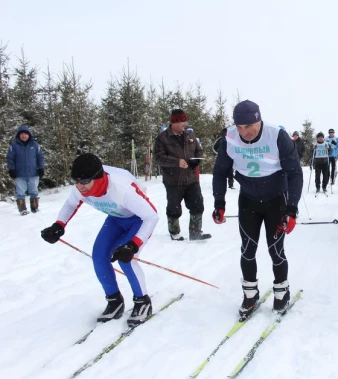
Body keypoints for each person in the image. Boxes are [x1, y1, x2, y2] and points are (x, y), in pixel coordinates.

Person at [40, 153, 158, 326]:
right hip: (116, 218)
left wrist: (133, 245)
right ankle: (114, 301)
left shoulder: (121, 188)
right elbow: (71, 204)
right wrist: (59, 225)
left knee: (127, 260)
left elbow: (151, 216)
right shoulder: (82, 186)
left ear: (98, 177)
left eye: (85, 181)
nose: (80, 186)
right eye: (76, 181)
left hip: (138, 219)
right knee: (99, 256)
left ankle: (142, 301)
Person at [211, 100, 303, 318]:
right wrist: (219, 203)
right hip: (249, 200)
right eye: (240, 127)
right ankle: (250, 294)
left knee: (275, 249)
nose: (245, 132)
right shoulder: (229, 138)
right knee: (247, 249)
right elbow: (220, 171)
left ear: (259, 120)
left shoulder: (277, 136)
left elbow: (295, 173)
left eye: (249, 126)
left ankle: (282, 292)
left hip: (276, 200)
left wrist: (292, 209)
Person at [154, 109, 210, 241]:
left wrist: (196, 161)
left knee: (198, 205)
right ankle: (174, 232)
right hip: (173, 180)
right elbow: (158, 158)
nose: (184, 124)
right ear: (174, 122)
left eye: (185, 121)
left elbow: (199, 151)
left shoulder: (190, 136)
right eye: (181, 121)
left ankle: (196, 233)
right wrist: (176, 162)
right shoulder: (162, 138)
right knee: (174, 207)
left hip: (191, 179)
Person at [6, 125, 45, 215]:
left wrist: (41, 168)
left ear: (29, 135)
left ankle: (35, 208)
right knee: (20, 192)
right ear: (19, 135)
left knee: (34, 191)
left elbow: (40, 157)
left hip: (33, 173)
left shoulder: (35, 145)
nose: (24, 136)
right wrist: (11, 169)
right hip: (19, 174)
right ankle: (22, 209)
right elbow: (10, 158)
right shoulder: (14, 146)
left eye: (25, 134)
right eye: (22, 134)